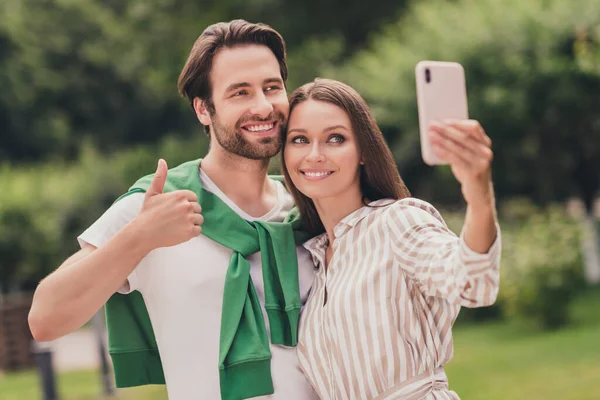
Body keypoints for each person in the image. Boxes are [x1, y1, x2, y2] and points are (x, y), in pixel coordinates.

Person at [28, 20, 319, 400]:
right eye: (240, 93)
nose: (262, 107)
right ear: (203, 109)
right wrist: (139, 237)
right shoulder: (157, 206)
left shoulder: (310, 210)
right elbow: (45, 319)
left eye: (271, 87)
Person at [280, 78, 501, 400]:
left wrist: (479, 192)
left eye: (335, 139)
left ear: (363, 153)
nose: (314, 155)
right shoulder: (312, 260)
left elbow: (472, 280)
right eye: (299, 139)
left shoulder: (396, 222)